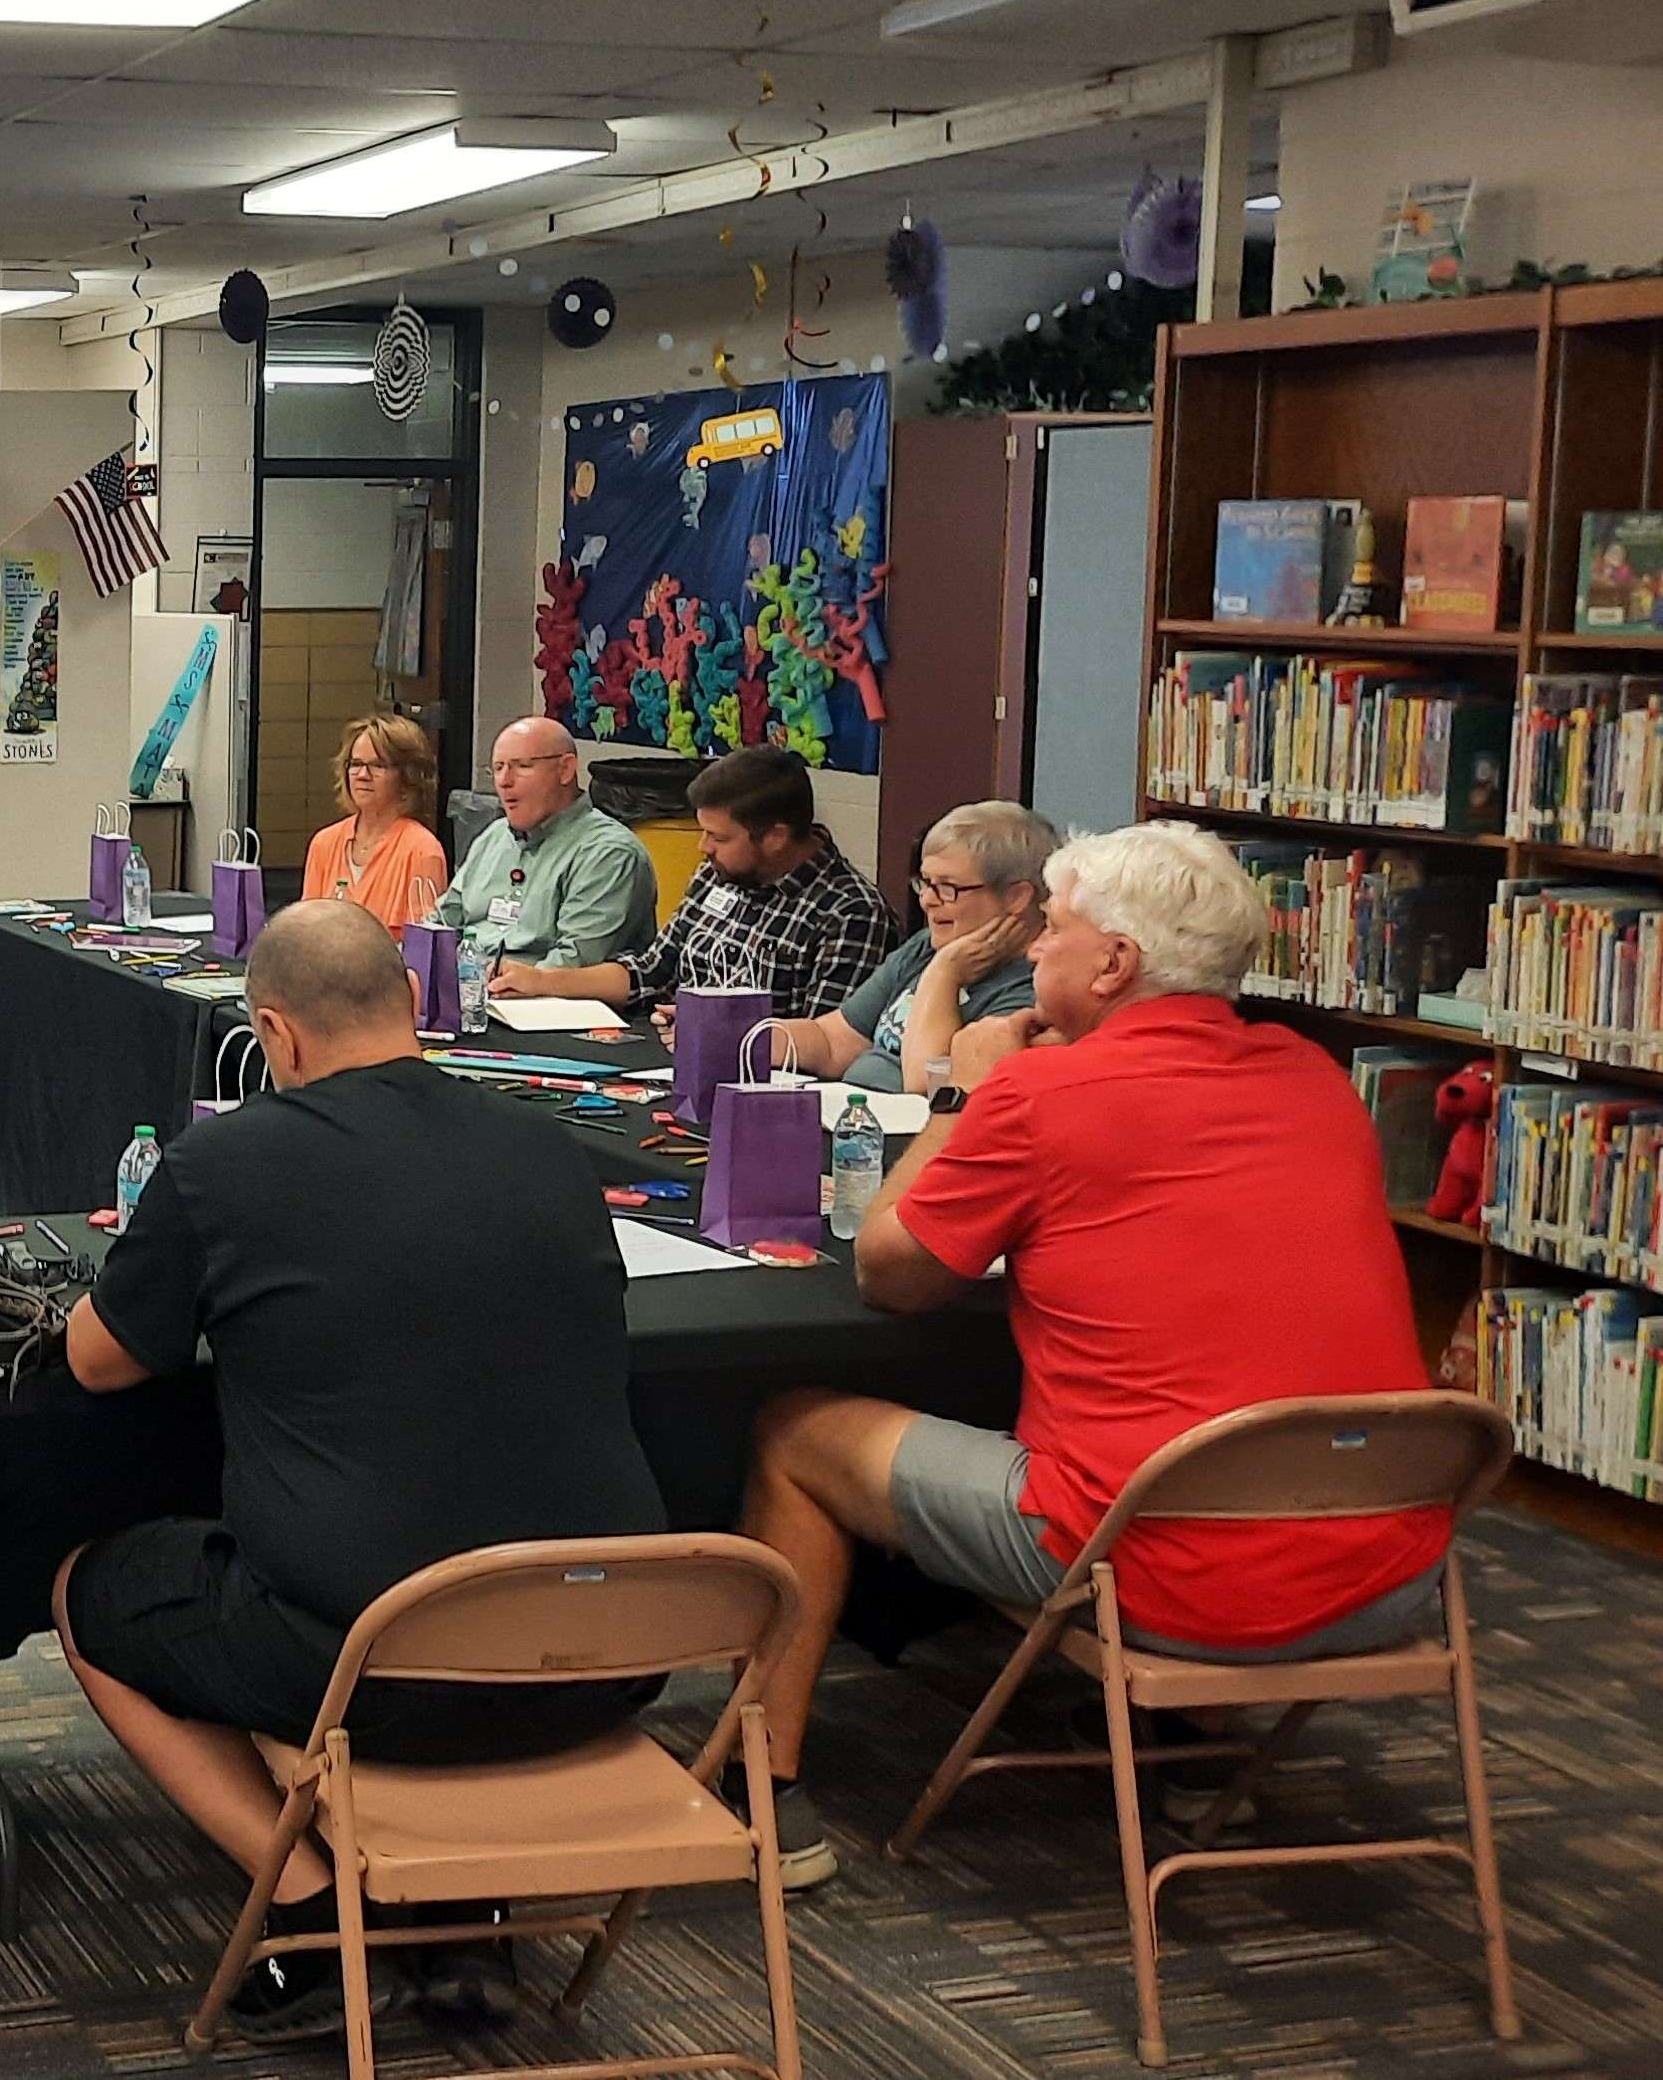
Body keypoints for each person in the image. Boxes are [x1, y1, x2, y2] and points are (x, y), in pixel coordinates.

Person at [736, 822, 1451, 1890]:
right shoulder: (1316, 1079)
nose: (1034, 949)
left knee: (794, 1430)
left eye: (1055, 929)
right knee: (1217, 1405)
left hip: (1161, 1574)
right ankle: (1197, 1757)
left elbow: (888, 1271)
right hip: (1389, 1569)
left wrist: (962, 1093)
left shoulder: (1038, 1096)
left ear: (1114, 962)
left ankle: (761, 1786)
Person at [51, 899, 668, 2041]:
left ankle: (305, 1909)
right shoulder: (547, 1145)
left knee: (90, 1591)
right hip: (613, 1649)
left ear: (274, 1034)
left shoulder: (223, 1160)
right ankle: (464, 1902)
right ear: (414, 1001)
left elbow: (97, 1360)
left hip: (379, 1669)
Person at [497, 742, 892, 1022]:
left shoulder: (851, 914)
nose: (704, 847)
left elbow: (825, 1043)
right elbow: (651, 971)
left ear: (775, 837)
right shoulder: (719, 875)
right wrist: (543, 981)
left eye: (719, 837)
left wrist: (713, 1031)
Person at [763, 801, 1054, 1093]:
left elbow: (929, 1087)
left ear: (1017, 897)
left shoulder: (1033, 990)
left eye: (947, 887)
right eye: (925, 883)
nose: (927, 900)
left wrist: (944, 974)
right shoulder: (927, 946)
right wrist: (749, 1037)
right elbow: (833, 1041)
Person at [426, 716, 657, 968]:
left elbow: (573, 964)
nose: (504, 781)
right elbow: (441, 924)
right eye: (498, 768)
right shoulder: (494, 836)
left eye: (522, 766)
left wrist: (489, 983)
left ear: (565, 769)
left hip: (538, 989)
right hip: (465, 982)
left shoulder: (609, 854)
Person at [298, 711, 450, 926]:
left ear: (407, 775)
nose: (362, 775)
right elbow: (305, 929)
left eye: (378, 765)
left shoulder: (422, 850)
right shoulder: (324, 843)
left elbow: (423, 940)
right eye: (356, 764)